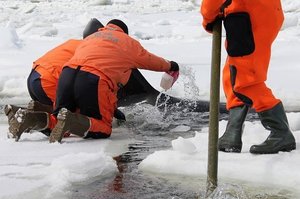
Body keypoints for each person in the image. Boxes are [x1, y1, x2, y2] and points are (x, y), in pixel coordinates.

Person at [45, 19, 180, 143]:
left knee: (57, 118)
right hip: (94, 79)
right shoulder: (128, 42)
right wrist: (171, 65)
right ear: (123, 32)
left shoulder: (91, 37)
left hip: (67, 75)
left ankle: (37, 120)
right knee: (102, 128)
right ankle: (71, 121)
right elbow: (149, 60)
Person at [200, 0, 296, 154]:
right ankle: (233, 133)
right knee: (232, 72)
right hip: (259, 11)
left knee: (246, 80)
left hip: (249, 15)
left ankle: (281, 133)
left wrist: (209, 17)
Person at [4, 18, 105, 141]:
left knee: (60, 111)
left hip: (35, 76)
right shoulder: (92, 50)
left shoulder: (74, 42)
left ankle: (24, 111)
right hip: (51, 80)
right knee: (64, 121)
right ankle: (28, 119)